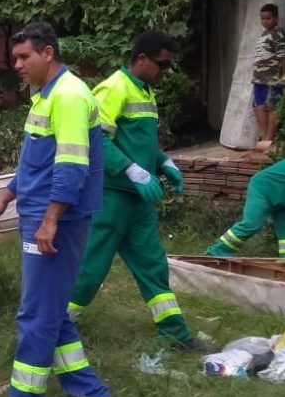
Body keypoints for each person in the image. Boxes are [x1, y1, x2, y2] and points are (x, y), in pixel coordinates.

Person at [0, 22, 111, 397]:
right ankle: (88, 393)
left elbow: (72, 167)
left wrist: (51, 218)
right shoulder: (47, 97)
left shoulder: (70, 97)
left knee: (35, 315)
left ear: (48, 53)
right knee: (50, 311)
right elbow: (35, 162)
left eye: (24, 57)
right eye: (15, 58)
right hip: (39, 213)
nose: (17, 65)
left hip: (56, 221)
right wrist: (6, 195)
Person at [67, 31, 206, 351]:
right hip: (111, 196)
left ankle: (175, 334)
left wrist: (164, 163)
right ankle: (57, 326)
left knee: (153, 265)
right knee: (91, 267)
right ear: (141, 59)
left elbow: (140, 144)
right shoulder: (114, 88)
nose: (165, 72)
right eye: (162, 65)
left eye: (168, 66)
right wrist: (131, 170)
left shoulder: (145, 91)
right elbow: (95, 139)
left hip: (138, 200)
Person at [251, 3, 285, 147]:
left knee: (272, 106)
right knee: (258, 106)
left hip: (273, 78)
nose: (265, 22)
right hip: (259, 78)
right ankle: (265, 136)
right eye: (263, 19)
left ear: (276, 18)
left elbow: (283, 57)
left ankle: (269, 138)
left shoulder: (278, 34)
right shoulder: (263, 35)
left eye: (268, 18)